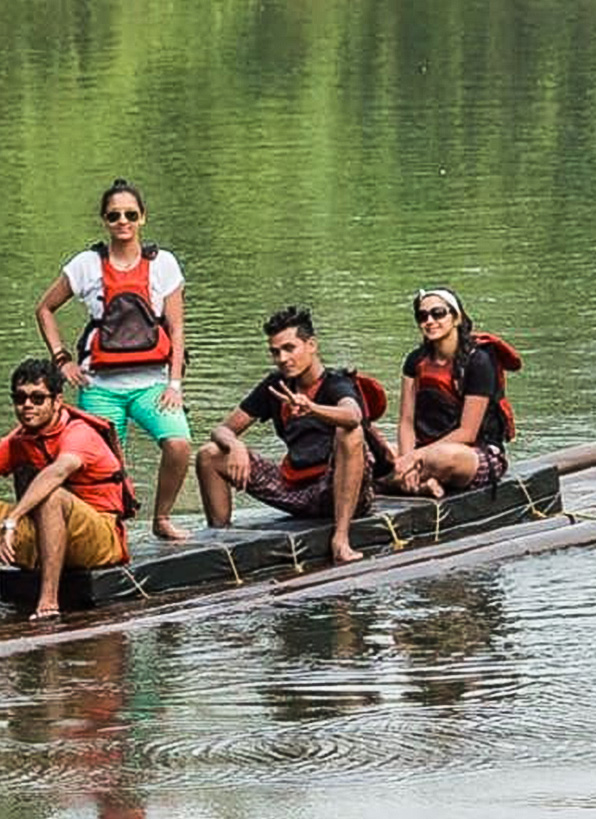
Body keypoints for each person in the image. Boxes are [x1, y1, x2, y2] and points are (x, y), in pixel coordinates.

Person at [0, 358, 134, 621]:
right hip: (44, 532)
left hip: (100, 537)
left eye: (38, 398)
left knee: (51, 494)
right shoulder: (19, 439)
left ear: (57, 401)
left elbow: (57, 472)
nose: (27, 405)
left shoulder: (79, 433)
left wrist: (13, 519)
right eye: (20, 398)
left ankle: (48, 602)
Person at [35, 178, 193, 541]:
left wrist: (175, 384)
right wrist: (61, 361)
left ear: (143, 219)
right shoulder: (85, 264)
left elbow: (177, 328)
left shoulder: (164, 264)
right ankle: (111, 532)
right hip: (99, 385)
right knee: (103, 468)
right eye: (114, 215)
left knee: (179, 443)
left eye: (130, 215)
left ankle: (162, 518)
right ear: (104, 221)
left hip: (153, 384)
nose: (123, 221)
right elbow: (44, 309)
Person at [195, 306, 372, 564]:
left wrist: (311, 408)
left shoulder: (336, 383)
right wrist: (234, 446)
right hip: (296, 489)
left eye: (290, 348)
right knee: (209, 454)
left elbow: (353, 416)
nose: (282, 358)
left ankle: (341, 539)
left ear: (311, 345)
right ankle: (221, 542)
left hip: (339, 492)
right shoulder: (275, 385)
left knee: (350, 434)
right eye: (275, 352)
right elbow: (221, 429)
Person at [389, 287, 515, 497]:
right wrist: (407, 457)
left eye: (438, 313)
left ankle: (393, 483)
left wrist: (414, 458)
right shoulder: (414, 361)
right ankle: (421, 486)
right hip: (424, 449)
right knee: (369, 454)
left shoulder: (478, 362)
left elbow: (467, 432)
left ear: (456, 318)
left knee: (442, 458)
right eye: (422, 316)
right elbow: (406, 422)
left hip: (471, 452)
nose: (429, 321)